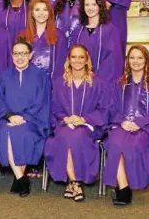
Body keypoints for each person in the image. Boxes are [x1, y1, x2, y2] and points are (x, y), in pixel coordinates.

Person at [104, 45, 149, 206]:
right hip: (122, 125)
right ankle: (124, 187)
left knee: (132, 145)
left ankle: (124, 188)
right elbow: (111, 107)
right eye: (132, 57)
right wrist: (122, 121)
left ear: (146, 60)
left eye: (140, 58)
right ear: (127, 60)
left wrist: (139, 123)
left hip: (146, 128)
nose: (136, 61)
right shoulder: (120, 83)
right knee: (114, 143)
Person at [44, 44, 109, 202]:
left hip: (89, 126)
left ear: (87, 60)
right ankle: (75, 183)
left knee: (77, 136)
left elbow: (104, 109)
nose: (77, 60)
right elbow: (54, 107)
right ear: (69, 60)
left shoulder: (98, 83)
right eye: (74, 57)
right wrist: (65, 118)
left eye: (81, 57)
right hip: (64, 124)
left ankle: (71, 183)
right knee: (66, 136)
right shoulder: (60, 83)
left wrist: (84, 119)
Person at [0, 37, 51, 197]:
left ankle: (18, 177)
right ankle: (21, 177)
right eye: (16, 54)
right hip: (7, 119)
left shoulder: (41, 76)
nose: (19, 57)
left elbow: (42, 101)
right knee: (6, 132)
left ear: (31, 55)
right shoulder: (3, 76)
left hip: (33, 119)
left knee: (23, 133)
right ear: (11, 56)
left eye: (23, 53)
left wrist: (24, 117)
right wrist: (10, 116)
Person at [70, 0, 123, 85]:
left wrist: (96, 80)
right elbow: (71, 58)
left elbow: (113, 61)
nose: (90, 8)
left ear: (100, 6)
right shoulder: (77, 32)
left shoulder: (111, 30)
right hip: (81, 83)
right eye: (87, 5)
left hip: (104, 84)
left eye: (94, 4)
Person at [17, 0, 68, 79]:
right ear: (32, 13)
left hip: (51, 83)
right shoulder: (22, 35)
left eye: (45, 10)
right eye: (37, 10)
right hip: (27, 82)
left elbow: (61, 64)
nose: (41, 13)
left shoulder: (59, 36)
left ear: (49, 13)